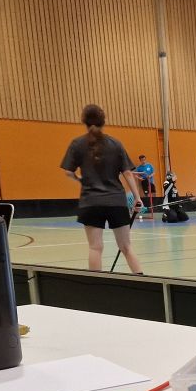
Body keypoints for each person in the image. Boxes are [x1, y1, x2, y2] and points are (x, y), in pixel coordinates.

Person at [60, 104, 144, 274]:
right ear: (103, 121)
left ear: (84, 121)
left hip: (91, 202)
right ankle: (143, 280)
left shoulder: (77, 144)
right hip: (116, 201)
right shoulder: (115, 144)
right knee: (126, 247)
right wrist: (137, 197)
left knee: (95, 248)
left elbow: (69, 172)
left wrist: (80, 179)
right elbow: (127, 172)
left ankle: (96, 285)